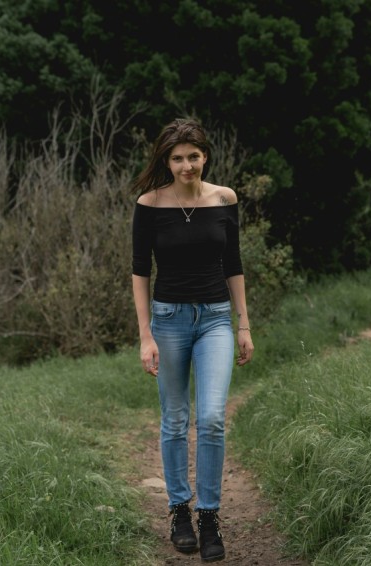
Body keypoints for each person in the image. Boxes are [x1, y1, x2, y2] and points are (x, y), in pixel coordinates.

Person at [130, 117, 254, 562]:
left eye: (194, 156)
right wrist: (145, 335)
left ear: (205, 156)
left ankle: (209, 516)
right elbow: (140, 273)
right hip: (168, 321)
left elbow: (234, 265)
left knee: (213, 417)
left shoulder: (225, 199)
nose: (187, 165)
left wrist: (243, 325)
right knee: (176, 419)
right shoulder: (149, 203)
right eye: (178, 158)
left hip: (216, 320)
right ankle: (179, 510)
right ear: (167, 160)